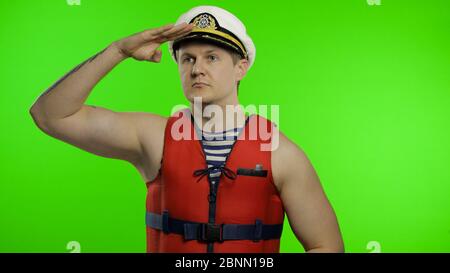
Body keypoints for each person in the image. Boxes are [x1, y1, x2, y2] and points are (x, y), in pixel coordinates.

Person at [29, 5, 344, 253]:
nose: (197, 69)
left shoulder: (281, 153)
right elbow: (50, 115)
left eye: (212, 57)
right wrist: (118, 51)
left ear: (241, 67)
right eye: (187, 58)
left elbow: (327, 246)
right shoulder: (151, 138)